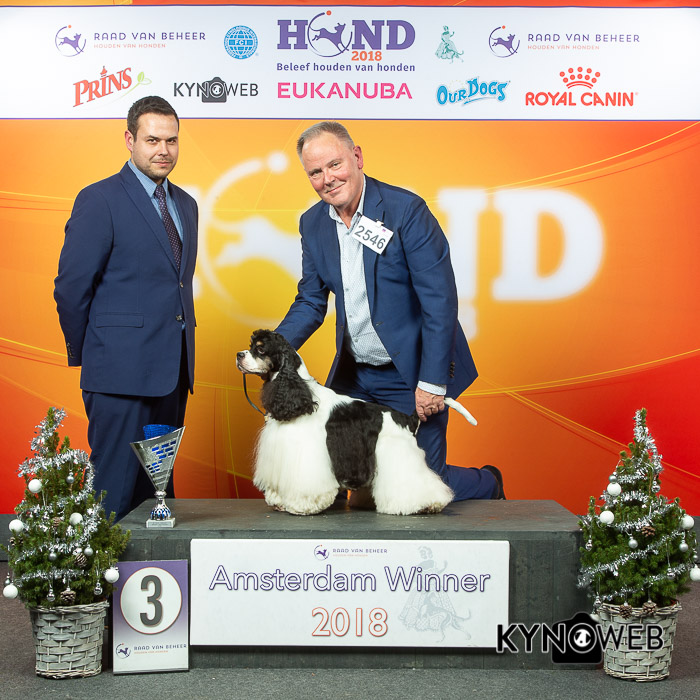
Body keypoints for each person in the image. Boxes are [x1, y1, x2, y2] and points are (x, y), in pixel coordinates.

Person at [276, 121, 504, 501]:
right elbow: (311, 300)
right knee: (344, 476)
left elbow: (439, 301)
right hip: (355, 376)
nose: (327, 179)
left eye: (335, 164)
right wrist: (272, 349)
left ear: (357, 157)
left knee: (421, 485)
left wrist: (432, 382)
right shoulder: (312, 224)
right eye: (315, 172)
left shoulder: (406, 211)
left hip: (410, 373)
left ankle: (489, 483)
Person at [54, 96, 198, 521]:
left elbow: (175, 284)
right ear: (129, 140)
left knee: (157, 497)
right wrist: (93, 354)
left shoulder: (186, 204)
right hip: (118, 374)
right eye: (152, 140)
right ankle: (101, 568)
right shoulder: (99, 199)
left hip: (172, 373)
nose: (163, 150)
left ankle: (154, 565)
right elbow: (71, 288)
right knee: (112, 496)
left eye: (171, 140)